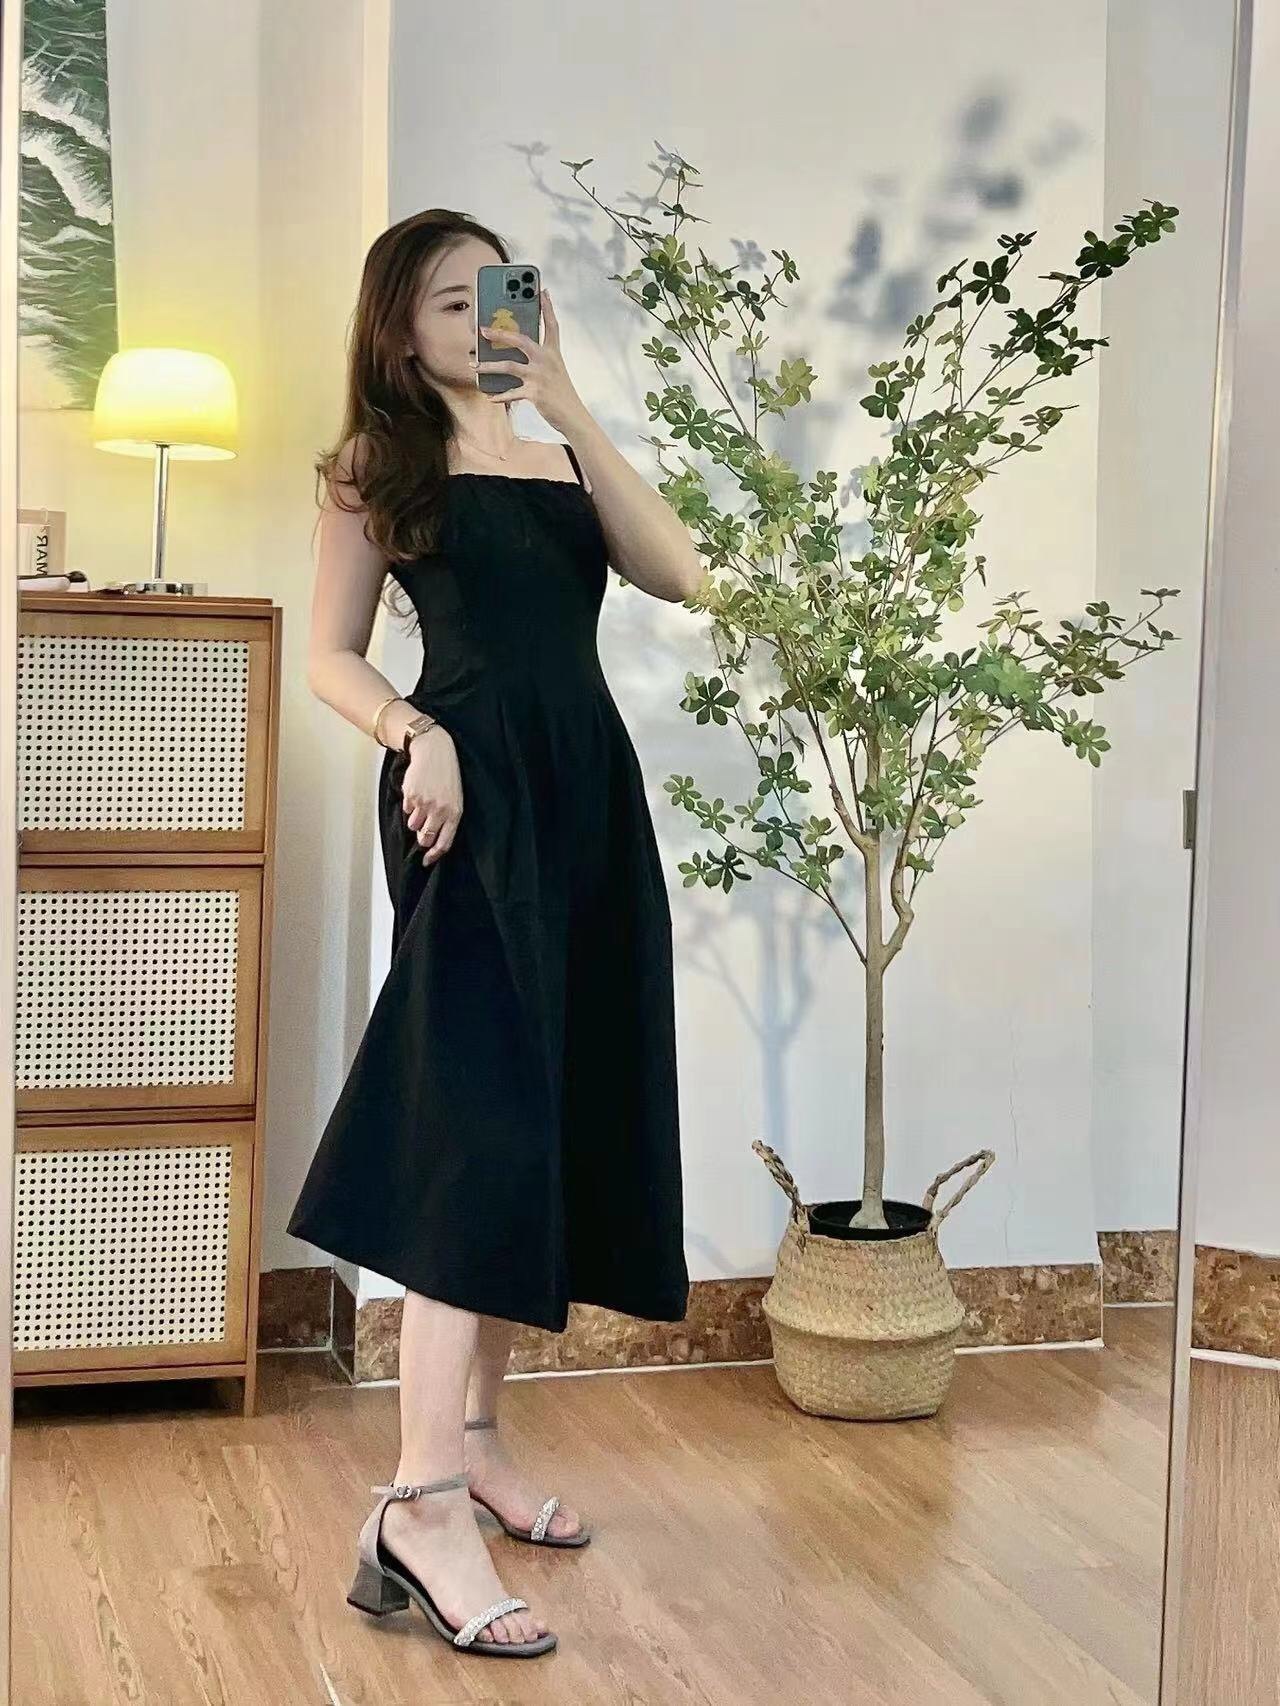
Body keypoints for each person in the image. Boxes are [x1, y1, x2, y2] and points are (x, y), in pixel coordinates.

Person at [286, 209, 702, 1658]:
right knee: (475, 1130)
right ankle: (419, 1504)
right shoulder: (376, 465)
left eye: (499, 293)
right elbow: (328, 653)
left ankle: (476, 1442)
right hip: (461, 795)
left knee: (540, 1118)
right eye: (450, 303)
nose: (481, 320)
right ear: (400, 332)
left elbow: (681, 570)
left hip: (584, 798)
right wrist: (417, 733)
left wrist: (570, 400)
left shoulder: (558, 452)